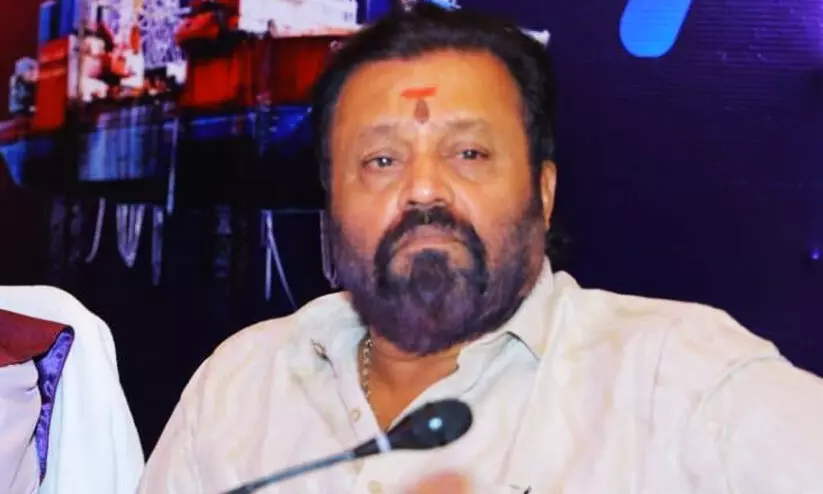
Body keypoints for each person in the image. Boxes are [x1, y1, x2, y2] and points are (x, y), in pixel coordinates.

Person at [139, 4, 823, 493]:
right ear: (330, 204)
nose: (423, 189)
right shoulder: (241, 385)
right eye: (381, 160)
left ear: (543, 192)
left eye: (468, 153)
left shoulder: (681, 381)